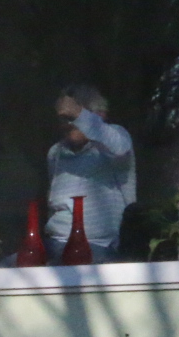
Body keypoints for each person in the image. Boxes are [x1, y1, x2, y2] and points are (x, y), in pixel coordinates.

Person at [46, 84, 135, 262]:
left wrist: (79, 113)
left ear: (99, 116)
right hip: (54, 244)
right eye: (65, 119)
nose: (69, 124)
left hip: (98, 247)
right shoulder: (56, 152)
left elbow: (120, 148)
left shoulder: (112, 141)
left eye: (75, 118)